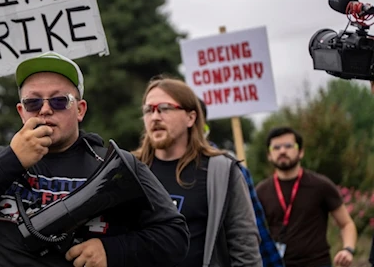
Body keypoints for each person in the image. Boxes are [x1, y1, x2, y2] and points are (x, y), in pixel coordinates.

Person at [0, 52, 190, 267]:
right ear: (22, 112)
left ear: (80, 109)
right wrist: (12, 160)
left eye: (59, 101)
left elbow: (175, 237)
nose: (45, 109)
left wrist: (112, 251)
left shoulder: (113, 162)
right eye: (33, 103)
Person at [132, 76, 262, 267]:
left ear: (191, 117)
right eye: (148, 110)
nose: (155, 117)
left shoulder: (221, 171)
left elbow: (244, 248)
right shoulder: (130, 170)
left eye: (165, 108)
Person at [197, 99, 285, 267]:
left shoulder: (228, 170)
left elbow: (250, 233)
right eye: (149, 111)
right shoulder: (147, 168)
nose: (157, 118)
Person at [256, 126, 357, 267]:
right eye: (276, 147)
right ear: (269, 155)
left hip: (317, 263)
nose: (282, 151)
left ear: (301, 152)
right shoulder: (261, 191)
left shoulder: (321, 185)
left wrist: (348, 249)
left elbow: (346, 224)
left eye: (289, 146)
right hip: (277, 264)